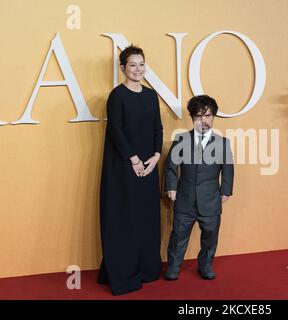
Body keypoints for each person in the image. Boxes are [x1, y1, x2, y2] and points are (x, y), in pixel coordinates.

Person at [97, 45, 163, 295]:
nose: (138, 69)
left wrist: (156, 156)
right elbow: (116, 130)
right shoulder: (117, 96)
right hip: (123, 167)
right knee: (125, 217)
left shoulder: (150, 96)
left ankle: (146, 268)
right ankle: (124, 272)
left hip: (149, 165)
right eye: (133, 65)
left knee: (146, 217)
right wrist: (134, 159)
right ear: (123, 68)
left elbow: (158, 128)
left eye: (141, 64)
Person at [164, 95, 234, 280]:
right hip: (184, 199)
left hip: (210, 200)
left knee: (210, 237)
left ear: (213, 117)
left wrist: (226, 191)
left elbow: (228, 169)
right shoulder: (181, 140)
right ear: (192, 117)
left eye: (208, 116)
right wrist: (171, 186)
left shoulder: (223, 143)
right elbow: (171, 166)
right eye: (198, 116)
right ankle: (173, 267)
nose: (203, 120)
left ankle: (205, 266)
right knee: (178, 236)